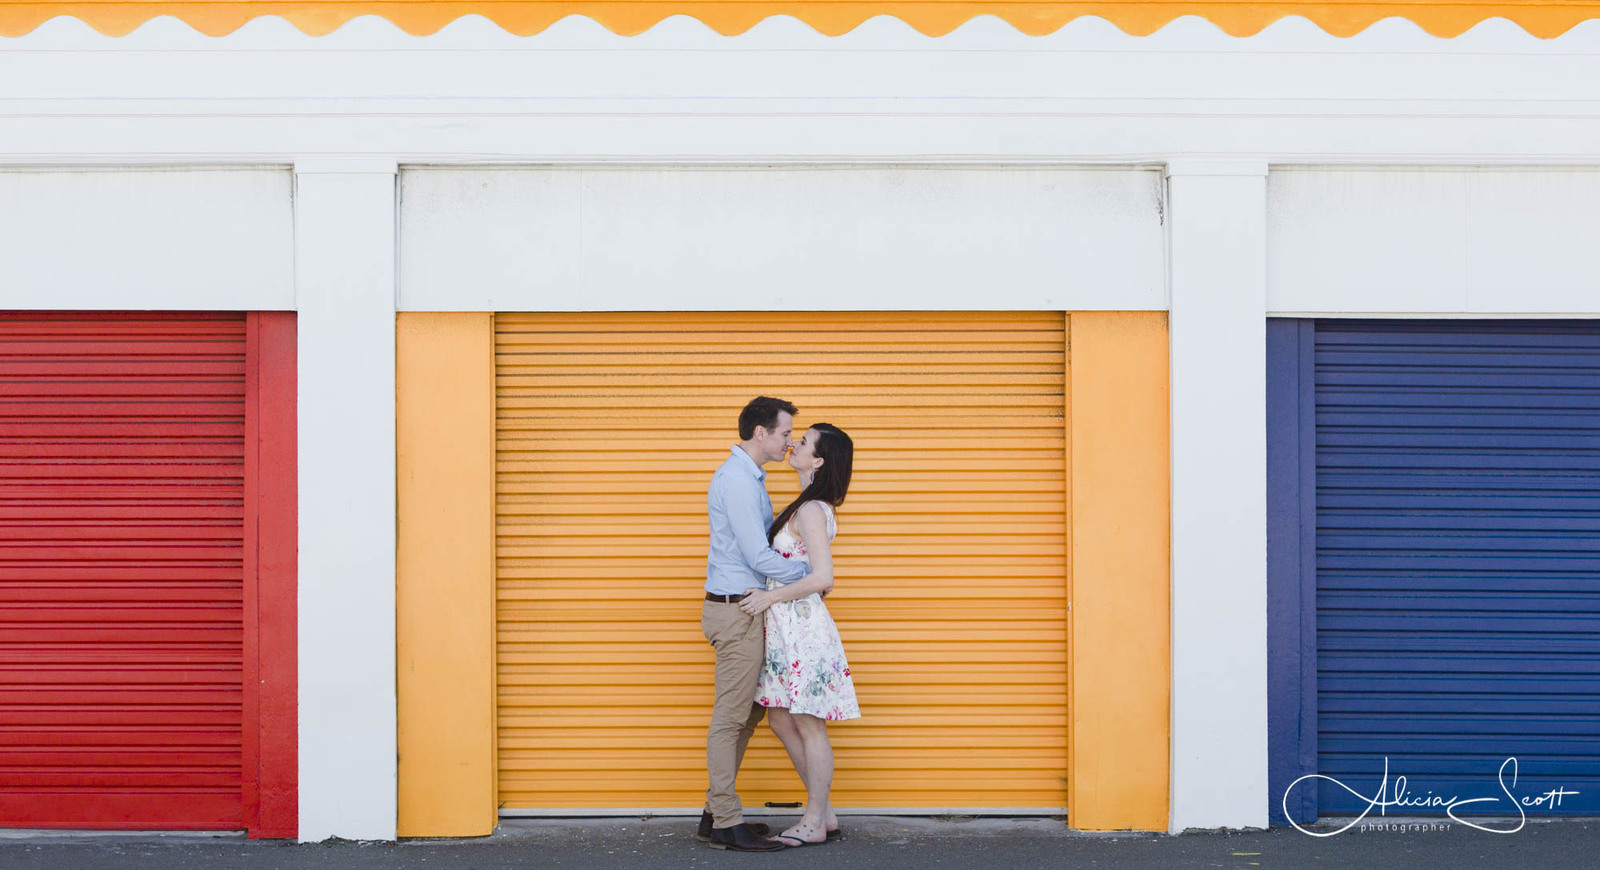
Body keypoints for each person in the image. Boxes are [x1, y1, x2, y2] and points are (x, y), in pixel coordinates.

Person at [738, 422, 860, 848]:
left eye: (804, 443)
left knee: (809, 725)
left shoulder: (811, 509)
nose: (794, 443)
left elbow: (824, 576)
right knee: (781, 718)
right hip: (788, 628)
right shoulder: (806, 504)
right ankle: (822, 809)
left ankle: (813, 820)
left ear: (819, 460)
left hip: (801, 627)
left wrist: (770, 598)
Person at [699, 397, 812, 852]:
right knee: (730, 718)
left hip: (743, 608)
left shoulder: (748, 477)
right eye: (786, 433)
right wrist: (811, 578)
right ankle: (726, 821)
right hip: (737, 612)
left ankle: (715, 815)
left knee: (747, 713)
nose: (790, 441)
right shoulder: (740, 482)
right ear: (761, 433)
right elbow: (758, 557)